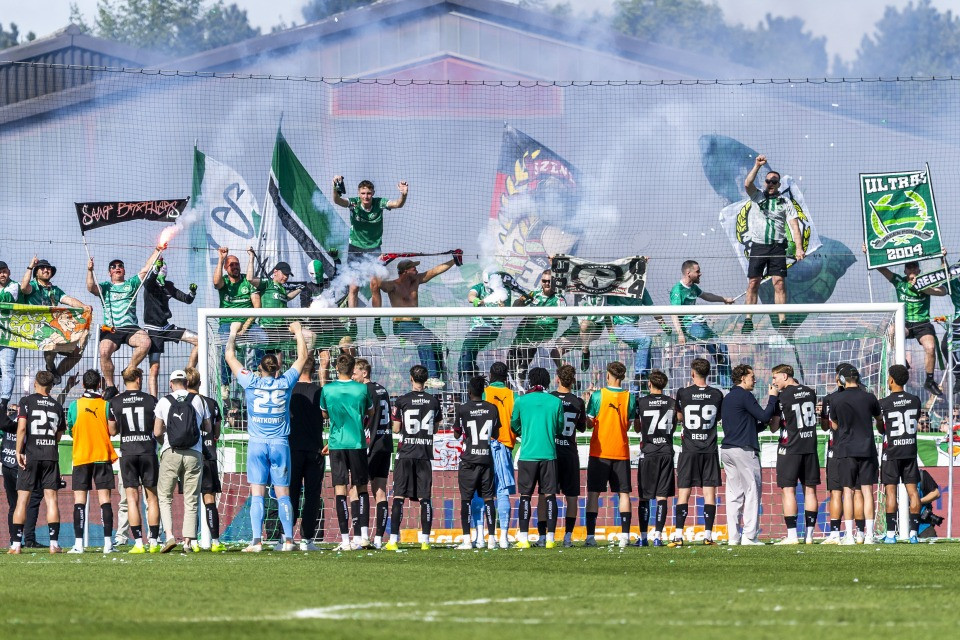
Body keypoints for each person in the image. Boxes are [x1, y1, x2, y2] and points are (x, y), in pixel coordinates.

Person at [226, 320, 308, 553]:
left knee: (258, 494)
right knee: (284, 494)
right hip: (281, 444)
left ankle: (256, 542)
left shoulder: (250, 381)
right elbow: (302, 357)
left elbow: (230, 357)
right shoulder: (285, 382)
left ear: (259, 369)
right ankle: (289, 540)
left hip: (257, 444)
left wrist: (233, 332)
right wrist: (298, 332)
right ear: (277, 369)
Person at [332, 176, 408, 340]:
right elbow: (337, 200)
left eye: (369, 193)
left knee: (375, 285)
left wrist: (403, 194)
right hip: (355, 250)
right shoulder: (353, 203)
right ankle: (352, 324)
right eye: (363, 193)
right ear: (359, 194)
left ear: (373, 193)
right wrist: (335, 186)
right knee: (353, 288)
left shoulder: (379, 203)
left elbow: (397, 204)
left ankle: (377, 323)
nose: (366, 196)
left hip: (374, 250)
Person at [742, 155, 806, 331]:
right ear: (765, 183)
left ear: (778, 184)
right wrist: (756, 166)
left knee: (779, 282)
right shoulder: (756, 197)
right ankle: (748, 320)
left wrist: (799, 248)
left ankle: (782, 320)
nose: (770, 184)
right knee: (753, 282)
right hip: (758, 246)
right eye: (768, 181)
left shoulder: (785, 202)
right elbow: (747, 184)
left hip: (777, 246)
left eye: (774, 181)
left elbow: (794, 226)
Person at [87, 246, 164, 389]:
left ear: (124, 270)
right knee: (103, 351)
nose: (117, 268)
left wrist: (157, 250)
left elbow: (146, 269)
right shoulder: (106, 287)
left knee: (145, 342)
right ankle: (110, 386)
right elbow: (91, 287)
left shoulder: (131, 284)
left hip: (130, 327)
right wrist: (90, 271)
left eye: (120, 266)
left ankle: (129, 369)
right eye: (113, 267)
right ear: (110, 272)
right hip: (112, 329)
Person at [320, 353, 374, 551]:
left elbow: (324, 413)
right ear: (353, 370)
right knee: (361, 488)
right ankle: (363, 536)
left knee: (340, 489)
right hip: (358, 442)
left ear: (336, 369)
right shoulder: (362, 388)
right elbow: (371, 411)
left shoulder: (327, 389)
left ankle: (345, 540)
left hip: (337, 444)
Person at [380, 257, 460, 388]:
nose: (416, 270)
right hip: (402, 325)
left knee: (436, 342)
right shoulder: (393, 285)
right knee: (425, 339)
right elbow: (378, 283)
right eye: (413, 267)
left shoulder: (416, 281)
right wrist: (382, 263)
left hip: (416, 325)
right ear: (405, 271)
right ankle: (431, 377)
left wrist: (454, 260)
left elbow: (435, 271)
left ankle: (439, 375)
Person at [873, 255, 946, 397]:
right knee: (892, 330)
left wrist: (943, 258)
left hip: (922, 322)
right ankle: (903, 361)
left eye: (914, 266)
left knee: (930, 347)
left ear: (919, 270)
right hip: (904, 321)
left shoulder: (926, 283)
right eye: (909, 266)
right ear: (905, 270)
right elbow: (881, 268)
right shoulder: (899, 282)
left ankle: (929, 381)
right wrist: (869, 253)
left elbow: (943, 284)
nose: (912, 269)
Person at [153, 369, 210, 553]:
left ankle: (169, 535)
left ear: (171, 383)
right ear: (186, 383)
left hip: (171, 452)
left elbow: (156, 432)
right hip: (194, 453)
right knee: (191, 498)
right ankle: (187, 541)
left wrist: (165, 443)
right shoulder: (199, 400)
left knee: (165, 496)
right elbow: (208, 427)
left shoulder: (164, 401)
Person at [8, 372, 65, 554]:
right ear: (51, 386)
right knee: (51, 500)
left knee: (22, 500)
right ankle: (54, 544)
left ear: (35, 384)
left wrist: (19, 451)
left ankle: (16, 545)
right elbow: (58, 435)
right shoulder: (57, 406)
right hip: (50, 455)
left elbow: (22, 427)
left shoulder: (26, 401)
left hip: (31, 455)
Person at [721, 363, 778, 546]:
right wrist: (772, 399)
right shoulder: (745, 395)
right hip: (744, 450)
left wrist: (764, 424)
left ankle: (733, 537)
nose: (754, 379)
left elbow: (751, 425)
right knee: (752, 492)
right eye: (751, 376)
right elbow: (763, 416)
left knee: (734, 495)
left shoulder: (728, 397)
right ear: (743, 377)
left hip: (727, 450)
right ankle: (750, 536)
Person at [584, 361, 639, 549]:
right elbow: (629, 424)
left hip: (599, 452)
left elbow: (589, 423)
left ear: (608, 375)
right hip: (621, 451)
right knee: (623, 494)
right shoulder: (629, 397)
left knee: (593, 493)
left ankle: (590, 537)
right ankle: (625, 537)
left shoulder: (598, 396)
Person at [387, 365, 442, 551]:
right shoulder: (434, 401)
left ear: (411, 378)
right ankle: (425, 541)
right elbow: (435, 429)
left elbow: (395, 429)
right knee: (425, 498)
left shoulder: (402, 401)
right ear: (425, 380)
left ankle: (393, 540)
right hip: (424, 454)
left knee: (398, 497)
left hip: (406, 453)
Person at [671, 358, 724, 547]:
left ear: (693, 373)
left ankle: (678, 535)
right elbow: (717, 417)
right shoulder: (717, 394)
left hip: (689, 450)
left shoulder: (683, 393)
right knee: (709, 493)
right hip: (709, 450)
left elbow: (679, 417)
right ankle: (708, 535)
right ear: (708, 373)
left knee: (684, 492)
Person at [106, 368, 159, 553]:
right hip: (147, 451)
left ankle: (137, 543)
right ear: (138, 379)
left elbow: (112, 431)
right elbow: (157, 426)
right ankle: (153, 540)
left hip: (128, 452)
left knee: (131, 499)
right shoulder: (151, 400)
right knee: (151, 498)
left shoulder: (115, 402)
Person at [510, 367, 563, 549]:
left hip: (528, 455)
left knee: (525, 496)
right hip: (549, 454)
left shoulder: (521, 401)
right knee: (550, 496)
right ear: (547, 382)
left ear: (530, 381)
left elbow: (514, 425)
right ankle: (549, 539)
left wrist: (526, 432)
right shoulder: (555, 402)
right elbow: (560, 427)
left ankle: (523, 538)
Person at [829, 365, 882, 545]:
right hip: (867, 449)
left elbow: (834, 425)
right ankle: (868, 535)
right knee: (867, 491)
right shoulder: (869, 397)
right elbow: (879, 419)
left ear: (842, 380)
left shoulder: (836, 399)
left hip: (845, 450)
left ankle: (849, 536)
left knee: (847, 492)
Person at [66, 370, 117, 554]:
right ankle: (108, 544)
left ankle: (78, 544)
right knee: (105, 500)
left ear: (82, 385)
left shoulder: (74, 405)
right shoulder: (106, 405)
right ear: (99, 384)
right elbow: (112, 431)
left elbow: (71, 429)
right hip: (102, 456)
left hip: (81, 457)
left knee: (79, 501)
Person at [19, 256, 91, 385]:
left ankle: (54, 374)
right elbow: (23, 288)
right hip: (36, 328)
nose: (46, 270)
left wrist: (83, 307)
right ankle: (50, 367)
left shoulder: (54, 290)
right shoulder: (33, 286)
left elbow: (69, 300)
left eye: (48, 268)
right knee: (53, 344)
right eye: (42, 268)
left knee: (76, 354)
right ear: (36, 272)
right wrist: (30, 266)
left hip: (53, 329)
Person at [769, 364, 819, 545]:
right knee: (810, 490)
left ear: (784, 376)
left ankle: (792, 536)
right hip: (810, 447)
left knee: (788, 490)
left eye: (775, 378)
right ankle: (810, 536)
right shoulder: (810, 392)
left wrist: (772, 400)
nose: (773, 382)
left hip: (789, 448)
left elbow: (774, 428)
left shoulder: (781, 397)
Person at [820, 363, 866, 544]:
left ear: (838, 378)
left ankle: (834, 533)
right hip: (859, 449)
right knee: (858, 492)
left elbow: (826, 427)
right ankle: (860, 532)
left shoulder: (830, 399)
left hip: (836, 450)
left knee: (837, 493)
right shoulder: (863, 396)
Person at [453, 376, 500, 550]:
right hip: (486, 459)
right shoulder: (492, 408)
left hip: (469, 460)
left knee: (466, 500)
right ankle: (492, 539)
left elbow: (457, 434)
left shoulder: (463, 409)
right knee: (489, 499)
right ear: (483, 391)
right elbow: (495, 433)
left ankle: (467, 540)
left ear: (469, 391)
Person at [669, 260, 734, 388]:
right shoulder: (677, 290)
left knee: (723, 347)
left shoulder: (693, 287)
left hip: (700, 325)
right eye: (697, 271)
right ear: (688, 273)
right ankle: (725, 380)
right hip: (691, 327)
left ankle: (727, 384)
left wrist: (723, 299)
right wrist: (680, 334)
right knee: (717, 349)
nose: (700, 274)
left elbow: (706, 296)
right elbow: (673, 313)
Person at [213, 246, 266, 399]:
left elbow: (257, 307)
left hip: (247, 324)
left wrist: (245, 327)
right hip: (227, 324)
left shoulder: (247, 281)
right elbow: (216, 283)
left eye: (237, 264)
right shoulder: (224, 282)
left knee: (262, 337)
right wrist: (221, 258)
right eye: (231, 265)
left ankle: (257, 371)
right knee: (225, 348)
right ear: (225, 268)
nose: (235, 267)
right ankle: (225, 384)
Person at [878, 364, 922, 544]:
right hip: (910, 450)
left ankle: (890, 535)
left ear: (891, 379)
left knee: (890, 492)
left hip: (892, 452)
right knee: (913, 492)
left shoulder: (884, 403)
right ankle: (913, 534)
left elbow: (882, 429)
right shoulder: (915, 400)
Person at [142, 257, 198, 397]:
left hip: (167, 328)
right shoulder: (150, 285)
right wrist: (155, 269)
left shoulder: (168, 286)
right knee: (154, 368)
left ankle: (189, 374)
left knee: (199, 340)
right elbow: (149, 281)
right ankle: (154, 400)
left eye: (163, 269)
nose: (162, 271)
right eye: (160, 269)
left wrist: (192, 292)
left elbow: (187, 299)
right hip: (153, 330)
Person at [184, 368, 225, 553]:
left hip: (190, 453)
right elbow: (216, 432)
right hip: (208, 453)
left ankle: (191, 541)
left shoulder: (180, 403)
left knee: (190, 500)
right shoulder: (211, 403)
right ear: (200, 384)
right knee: (209, 499)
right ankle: (215, 541)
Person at [635, 369, 677, 547]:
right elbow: (673, 426)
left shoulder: (642, 402)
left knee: (644, 497)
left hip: (649, 452)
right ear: (664, 385)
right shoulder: (672, 403)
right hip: (666, 452)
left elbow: (637, 427)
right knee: (662, 497)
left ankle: (643, 537)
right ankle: (658, 536)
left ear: (649, 384)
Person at [354, 358, 392, 549]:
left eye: (355, 373)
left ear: (364, 373)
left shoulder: (364, 391)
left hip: (370, 444)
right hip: (385, 443)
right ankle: (378, 539)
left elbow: (361, 418)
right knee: (380, 491)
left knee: (357, 488)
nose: (353, 377)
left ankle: (361, 536)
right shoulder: (382, 390)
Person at [548, 364, 586, 548]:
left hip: (552, 452)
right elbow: (582, 427)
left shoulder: (550, 399)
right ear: (573, 380)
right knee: (571, 497)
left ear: (557, 379)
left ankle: (547, 535)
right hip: (570, 453)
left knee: (548, 494)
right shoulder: (578, 402)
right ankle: (568, 537)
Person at [289, 356, 325, 551]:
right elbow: (326, 414)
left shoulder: (290, 391)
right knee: (312, 495)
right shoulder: (320, 391)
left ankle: (286, 536)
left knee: (290, 493)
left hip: (292, 449)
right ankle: (307, 539)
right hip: (315, 449)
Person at [458, 271, 512, 397]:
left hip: (489, 329)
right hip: (474, 330)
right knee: (465, 359)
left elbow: (503, 315)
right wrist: (476, 300)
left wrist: (502, 307)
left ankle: (466, 396)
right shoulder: (479, 287)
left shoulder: (504, 291)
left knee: (466, 353)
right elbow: (471, 296)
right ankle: (473, 385)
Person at [606, 288, 671, 389]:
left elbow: (652, 308)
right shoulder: (618, 288)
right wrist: (610, 331)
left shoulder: (642, 289)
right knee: (646, 340)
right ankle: (640, 376)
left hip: (634, 327)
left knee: (646, 356)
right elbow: (606, 311)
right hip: (621, 327)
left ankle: (636, 390)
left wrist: (663, 325)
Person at [507, 270, 566, 384]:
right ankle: (515, 383)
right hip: (526, 331)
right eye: (544, 281)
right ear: (541, 281)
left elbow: (563, 315)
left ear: (554, 281)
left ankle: (523, 367)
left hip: (544, 329)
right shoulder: (534, 293)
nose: (547, 283)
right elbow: (516, 307)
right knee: (511, 358)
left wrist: (545, 312)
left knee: (527, 344)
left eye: (549, 281)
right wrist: (520, 300)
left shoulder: (558, 298)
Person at [299, 256, 348, 386]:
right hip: (318, 327)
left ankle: (349, 381)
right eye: (312, 274)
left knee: (347, 347)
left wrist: (337, 260)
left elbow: (340, 278)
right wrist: (317, 304)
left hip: (334, 324)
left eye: (318, 273)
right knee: (325, 360)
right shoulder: (306, 289)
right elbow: (304, 309)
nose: (315, 276)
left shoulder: (328, 284)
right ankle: (323, 389)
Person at [2, 402, 43, 549]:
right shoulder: (28, 421)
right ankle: (29, 539)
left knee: (14, 505)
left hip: (7, 465)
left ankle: (15, 541)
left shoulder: (8, 421)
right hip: (22, 465)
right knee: (32, 499)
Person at [485, 361, 517, 548]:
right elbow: (516, 421)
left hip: (484, 446)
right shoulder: (513, 396)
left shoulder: (484, 393)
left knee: (482, 492)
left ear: (490, 375)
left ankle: (483, 537)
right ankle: (503, 537)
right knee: (503, 491)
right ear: (506, 377)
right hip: (504, 445)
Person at [0, 261, 21, 413]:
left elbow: (6, 298)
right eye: (0, 272)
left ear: (9, 272)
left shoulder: (14, 286)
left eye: (4, 271)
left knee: (8, 368)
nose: (2, 274)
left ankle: (3, 402)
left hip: (8, 335)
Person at [917, 468, 941, 538]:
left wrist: (917, 502)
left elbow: (936, 493)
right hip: (899, 528)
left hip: (923, 526)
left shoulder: (921, 474)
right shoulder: (894, 478)